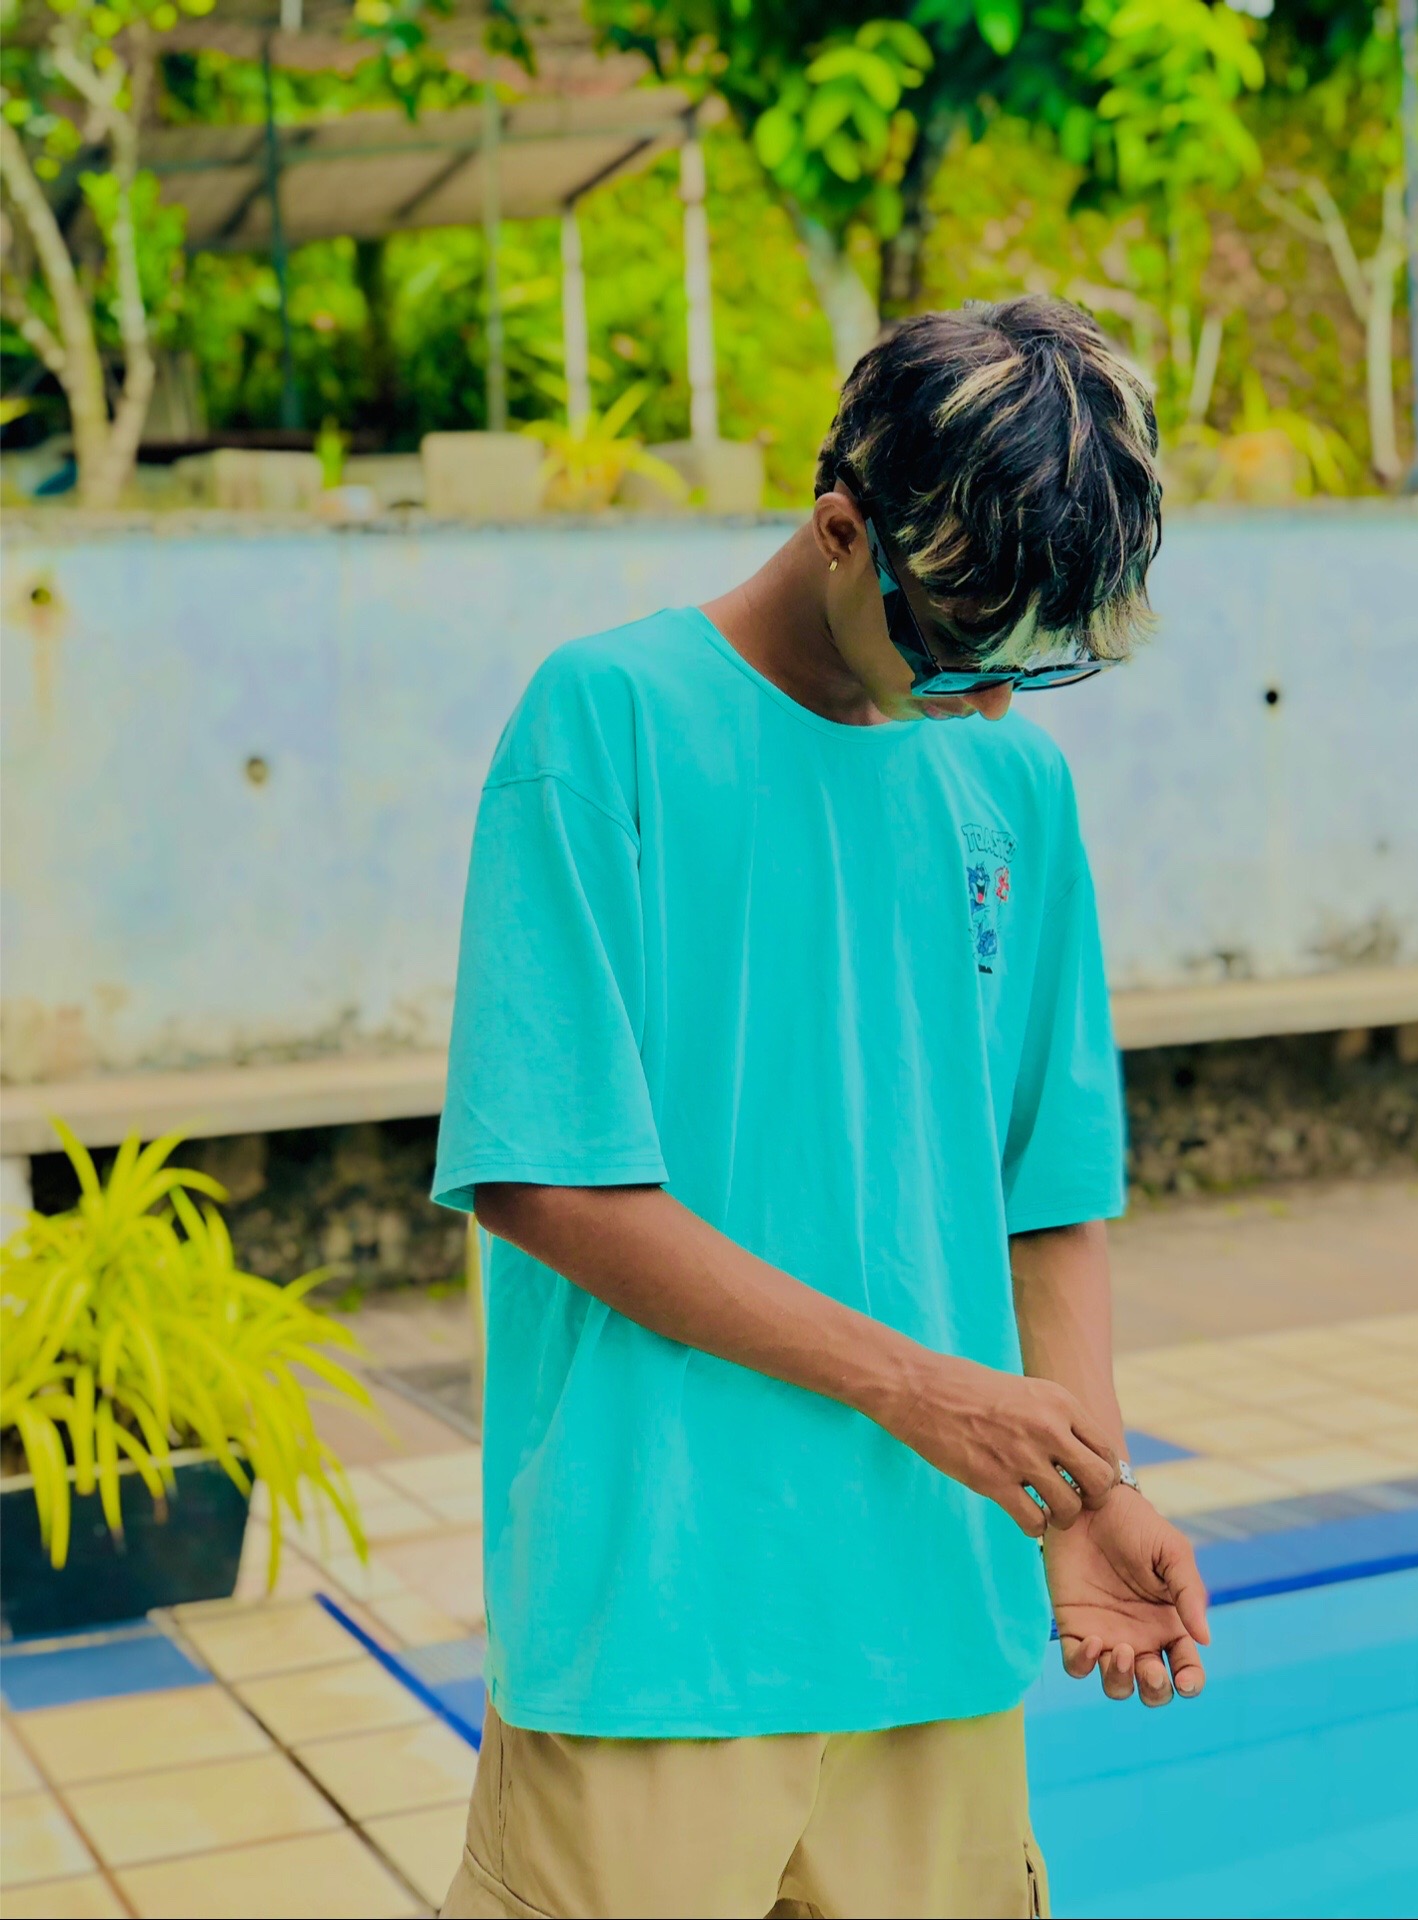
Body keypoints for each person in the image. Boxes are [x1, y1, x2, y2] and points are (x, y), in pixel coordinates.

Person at [431, 296, 1210, 1920]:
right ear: (843, 530)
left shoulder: (1012, 782)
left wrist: (1086, 1497)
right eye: (960, 648)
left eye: (1035, 665)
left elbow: (1045, 1191)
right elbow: (545, 1180)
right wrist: (923, 1392)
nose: (989, 702)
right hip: (657, 1621)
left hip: (939, 1612)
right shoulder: (609, 721)